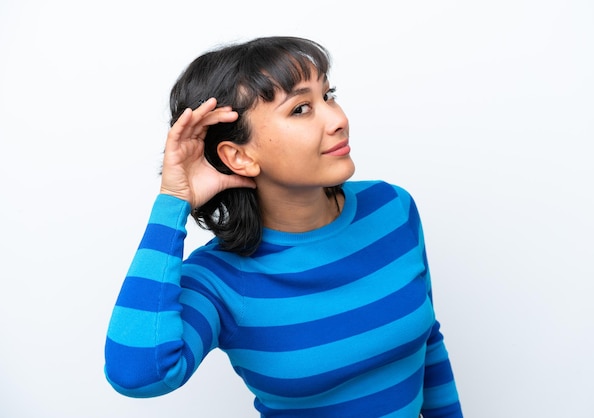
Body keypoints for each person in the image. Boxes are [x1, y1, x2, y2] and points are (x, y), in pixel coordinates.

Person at [104, 36, 463, 417]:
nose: (338, 119)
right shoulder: (220, 279)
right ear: (239, 156)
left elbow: (428, 344)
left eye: (329, 95)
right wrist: (172, 201)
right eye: (302, 108)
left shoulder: (392, 209)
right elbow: (138, 375)